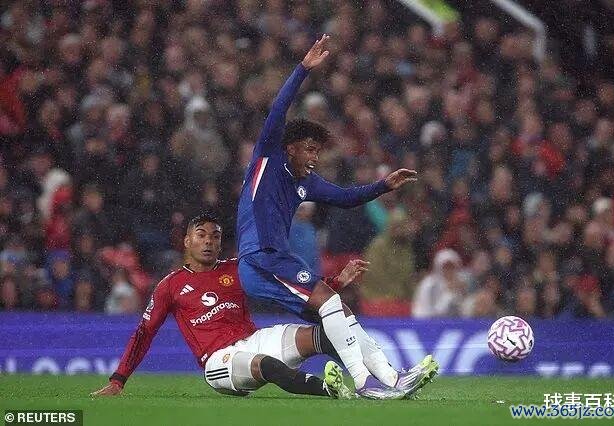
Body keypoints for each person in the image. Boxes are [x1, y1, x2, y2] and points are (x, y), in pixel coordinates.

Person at [236, 35, 429, 398]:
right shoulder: (268, 158)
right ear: (289, 148)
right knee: (328, 298)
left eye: (318, 152)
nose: (314, 158)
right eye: (309, 149)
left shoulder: (307, 183)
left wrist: (383, 185)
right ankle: (365, 382)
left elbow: (346, 198)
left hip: (273, 261)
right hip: (260, 258)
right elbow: (278, 109)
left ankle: (392, 379)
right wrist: (302, 69)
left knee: (338, 310)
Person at [91, 213, 367, 398]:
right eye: (201, 235)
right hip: (218, 360)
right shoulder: (170, 285)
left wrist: (336, 282)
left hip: (254, 339)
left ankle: (376, 381)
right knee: (265, 364)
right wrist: (118, 380)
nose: (208, 241)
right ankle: (331, 389)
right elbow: (145, 332)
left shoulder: (238, 268)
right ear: (187, 241)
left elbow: (290, 286)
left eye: (215, 236)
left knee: (324, 334)